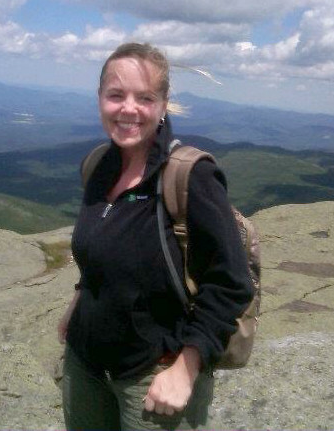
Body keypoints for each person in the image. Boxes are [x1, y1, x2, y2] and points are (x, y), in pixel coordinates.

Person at [58, 42, 254, 431]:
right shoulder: (98, 165)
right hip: (84, 365)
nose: (128, 108)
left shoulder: (190, 177)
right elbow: (101, 249)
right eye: (116, 95)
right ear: (100, 99)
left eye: (144, 97)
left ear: (163, 105)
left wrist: (186, 368)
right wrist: (79, 301)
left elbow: (232, 284)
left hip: (153, 376)